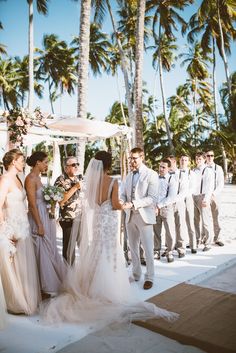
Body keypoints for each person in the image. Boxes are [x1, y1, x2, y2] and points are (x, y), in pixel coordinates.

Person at [41, 151, 177, 326]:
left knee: (97, 251)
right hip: (110, 222)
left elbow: (90, 204)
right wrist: (124, 205)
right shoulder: (113, 181)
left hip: (98, 222)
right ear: (108, 164)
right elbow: (115, 204)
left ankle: (95, 287)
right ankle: (109, 289)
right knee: (111, 252)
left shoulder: (90, 183)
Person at [0, 149, 40, 314]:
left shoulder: (18, 178)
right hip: (10, 226)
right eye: (22, 160)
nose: (24, 163)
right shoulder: (4, 180)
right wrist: (4, 230)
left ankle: (25, 299)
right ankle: (15, 303)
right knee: (12, 265)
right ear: (13, 161)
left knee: (23, 265)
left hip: (23, 226)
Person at [25, 151, 66, 299]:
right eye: (45, 162)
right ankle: (44, 288)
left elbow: (42, 199)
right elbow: (31, 205)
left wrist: (52, 202)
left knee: (50, 249)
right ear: (38, 162)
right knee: (41, 251)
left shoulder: (39, 178)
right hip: (38, 218)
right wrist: (39, 224)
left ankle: (49, 286)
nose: (47, 165)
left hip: (46, 216)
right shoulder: (30, 179)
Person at [120, 147, 159, 290]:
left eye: (134, 158)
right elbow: (123, 193)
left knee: (148, 248)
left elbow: (152, 198)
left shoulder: (151, 174)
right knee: (133, 247)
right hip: (129, 216)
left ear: (142, 157)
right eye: (130, 158)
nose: (132, 161)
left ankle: (150, 277)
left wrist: (134, 204)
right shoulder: (128, 176)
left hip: (144, 216)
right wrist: (121, 201)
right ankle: (136, 274)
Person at [54, 156, 82, 265]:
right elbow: (61, 201)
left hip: (81, 217)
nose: (76, 167)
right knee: (69, 250)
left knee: (83, 247)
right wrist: (75, 187)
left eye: (77, 164)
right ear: (66, 168)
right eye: (73, 165)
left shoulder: (79, 178)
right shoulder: (60, 180)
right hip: (68, 220)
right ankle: (68, 274)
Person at [153, 158, 177, 263]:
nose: (161, 169)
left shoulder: (172, 179)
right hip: (155, 209)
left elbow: (171, 197)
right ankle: (157, 251)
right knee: (156, 231)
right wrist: (154, 206)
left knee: (170, 232)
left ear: (169, 168)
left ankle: (169, 251)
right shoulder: (155, 178)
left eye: (164, 167)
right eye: (160, 166)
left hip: (167, 208)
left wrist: (159, 205)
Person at [192, 152, 214, 251]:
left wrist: (206, 199)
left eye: (200, 159)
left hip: (203, 196)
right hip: (193, 197)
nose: (198, 160)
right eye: (196, 159)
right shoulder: (193, 170)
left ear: (204, 159)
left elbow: (210, 187)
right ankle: (197, 240)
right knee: (195, 221)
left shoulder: (208, 170)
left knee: (206, 221)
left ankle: (208, 243)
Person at [205, 150, 225, 246]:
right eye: (208, 155)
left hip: (215, 196)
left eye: (211, 155)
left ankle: (218, 238)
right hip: (204, 197)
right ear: (205, 156)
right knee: (204, 218)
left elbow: (220, 183)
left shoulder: (218, 168)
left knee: (216, 217)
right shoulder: (203, 168)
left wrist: (213, 194)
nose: (209, 157)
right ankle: (205, 237)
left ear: (214, 157)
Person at [179, 154, 197, 254]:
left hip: (188, 198)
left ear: (189, 162)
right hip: (178, 200)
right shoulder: (176, 172)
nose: (183, 162)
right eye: (182, 160)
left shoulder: (192, 174)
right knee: (180, 223)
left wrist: (183, 195)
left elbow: (192, 188)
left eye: (185, 160)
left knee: (190, 222)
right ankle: (180, 245)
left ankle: (193, 245)